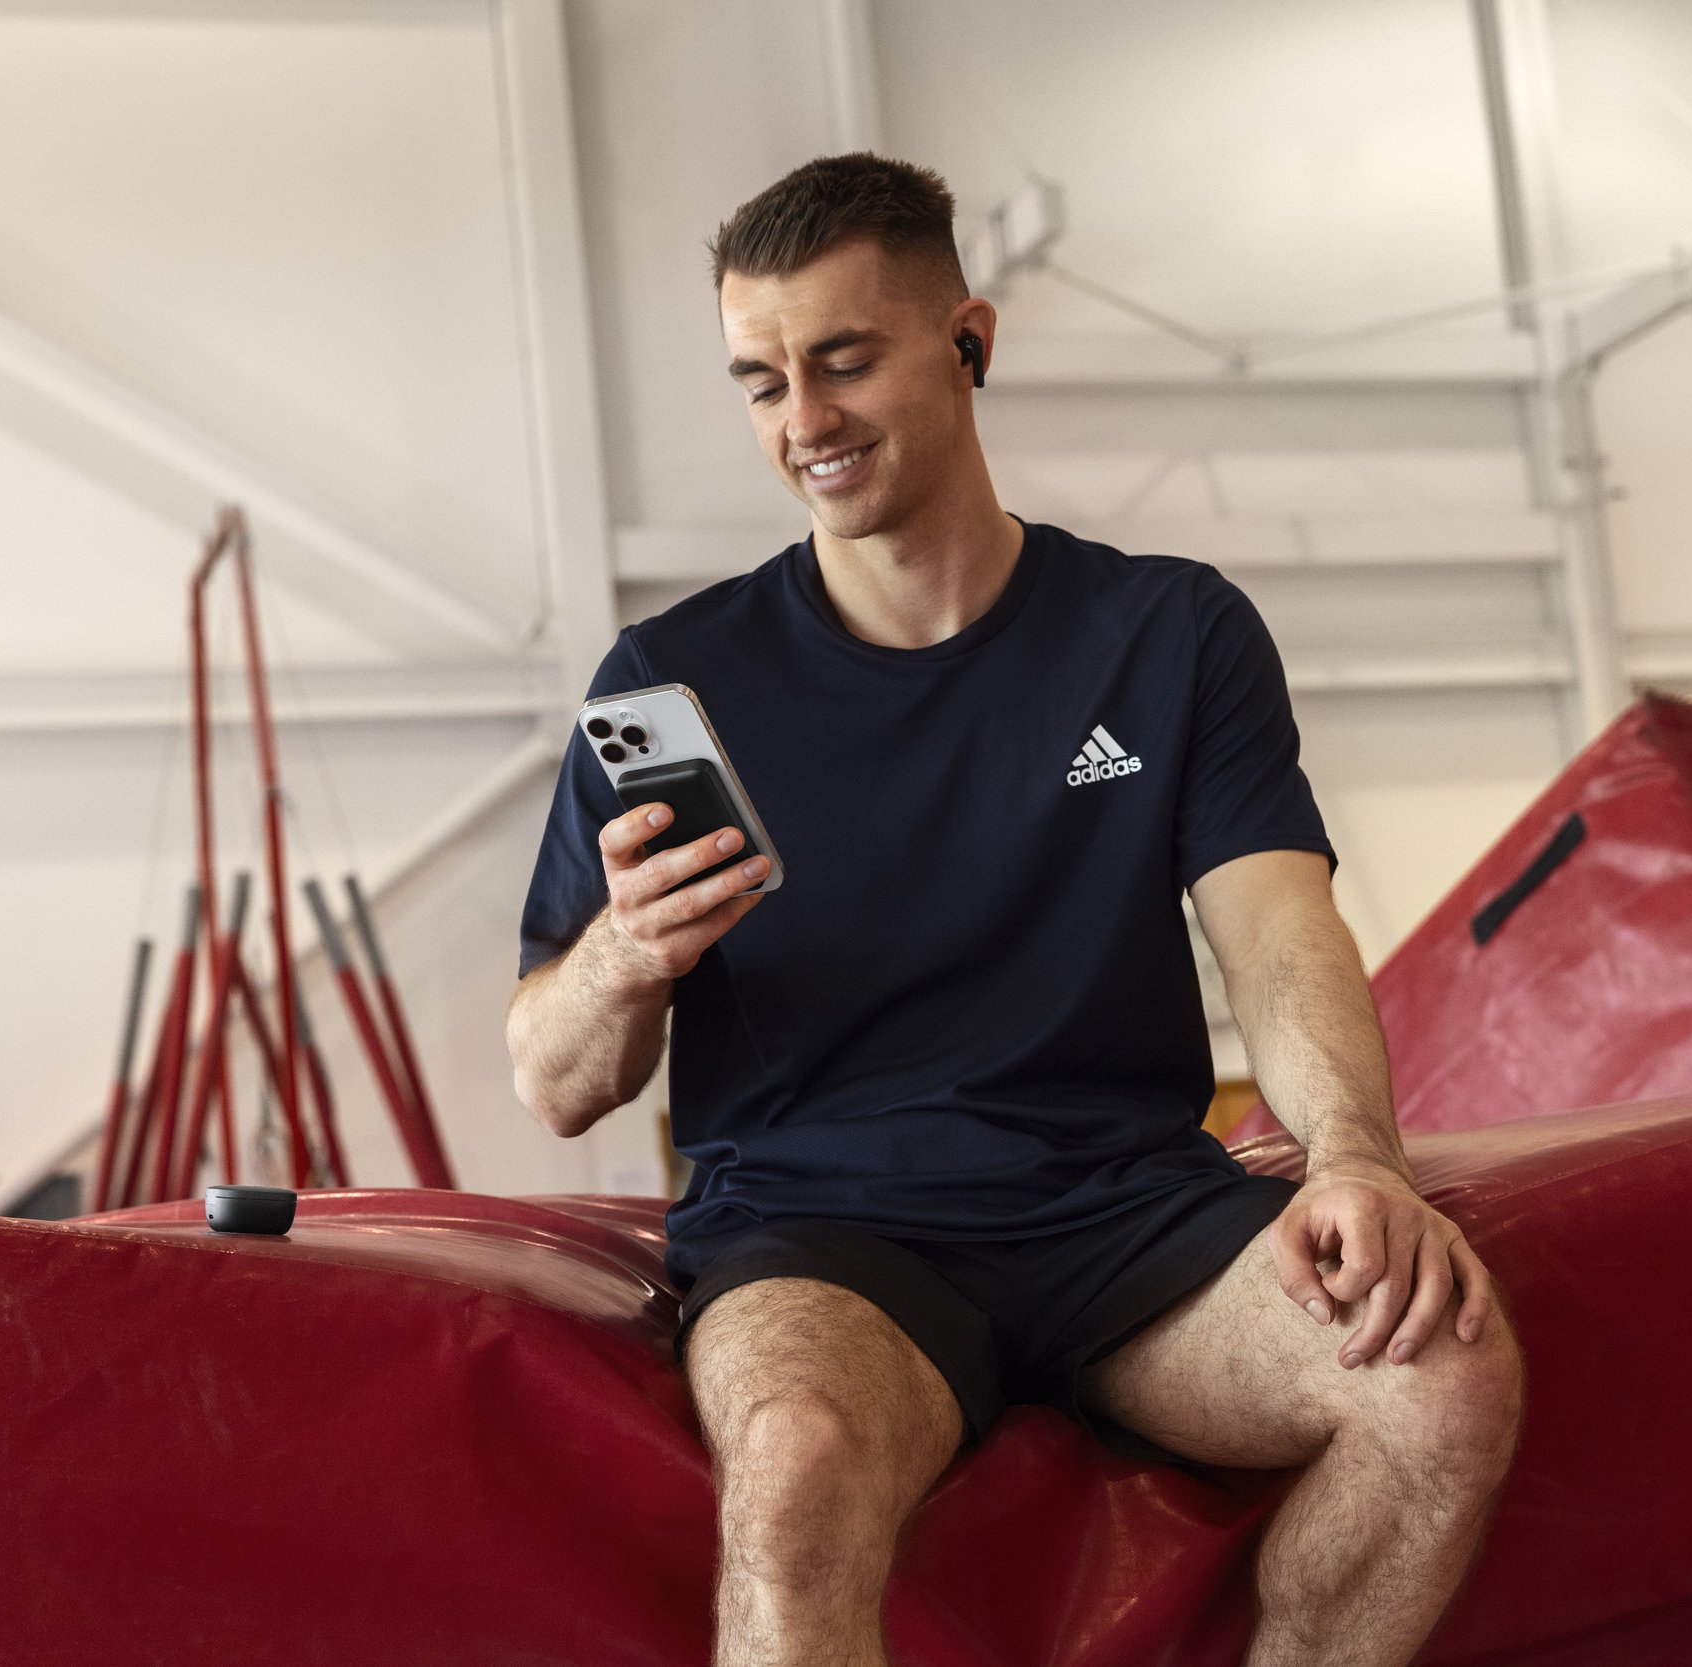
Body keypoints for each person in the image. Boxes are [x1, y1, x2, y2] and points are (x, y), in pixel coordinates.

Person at [507, 153, 1523, 1667]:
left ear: (969, 342)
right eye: (762, 381)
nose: (803, 420)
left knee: (1440, 1382)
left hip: (1126, 1212)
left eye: (845, 360)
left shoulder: (1168, 632)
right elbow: (555, 1082)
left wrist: (1356, 1158)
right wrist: (627, 955)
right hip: (824, 1231)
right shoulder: (670, 680)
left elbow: (1277, 930)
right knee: (793, 1468)